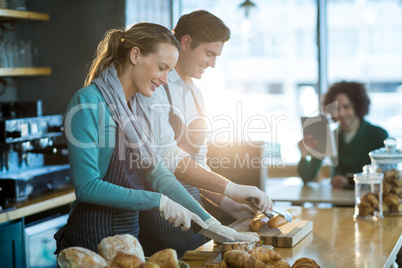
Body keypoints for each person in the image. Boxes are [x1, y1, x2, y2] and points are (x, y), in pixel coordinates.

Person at [54, 22, 258, 254]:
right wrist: (157, 201)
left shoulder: (137, 108)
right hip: (90, 239)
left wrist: (210, 222)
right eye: (162, 67)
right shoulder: (89, 102)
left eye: (169, 71)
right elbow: (87, 187)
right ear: (135, 55)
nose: (164, 79)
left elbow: (158, 173)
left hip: (129, 241)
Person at [139, 10, 273, 257]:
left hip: (197, 216)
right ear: (187, 43)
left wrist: (228, 203)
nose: (212, 64)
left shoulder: (197, 96)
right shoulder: (154, 89)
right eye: (209, 54)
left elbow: (197, 166)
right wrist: (231, 188)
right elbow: (168, 159)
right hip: (162, 217)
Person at [297, 81, 388, 188]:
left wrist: (349, 181)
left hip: (368, 200)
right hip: (337, 200)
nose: (341, 113)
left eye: (346, 107)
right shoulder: (330, 137)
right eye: (336, 109)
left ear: (357, 107)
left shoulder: (378, 135)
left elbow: (386, 176)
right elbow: (307, 177)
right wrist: (303, 156)